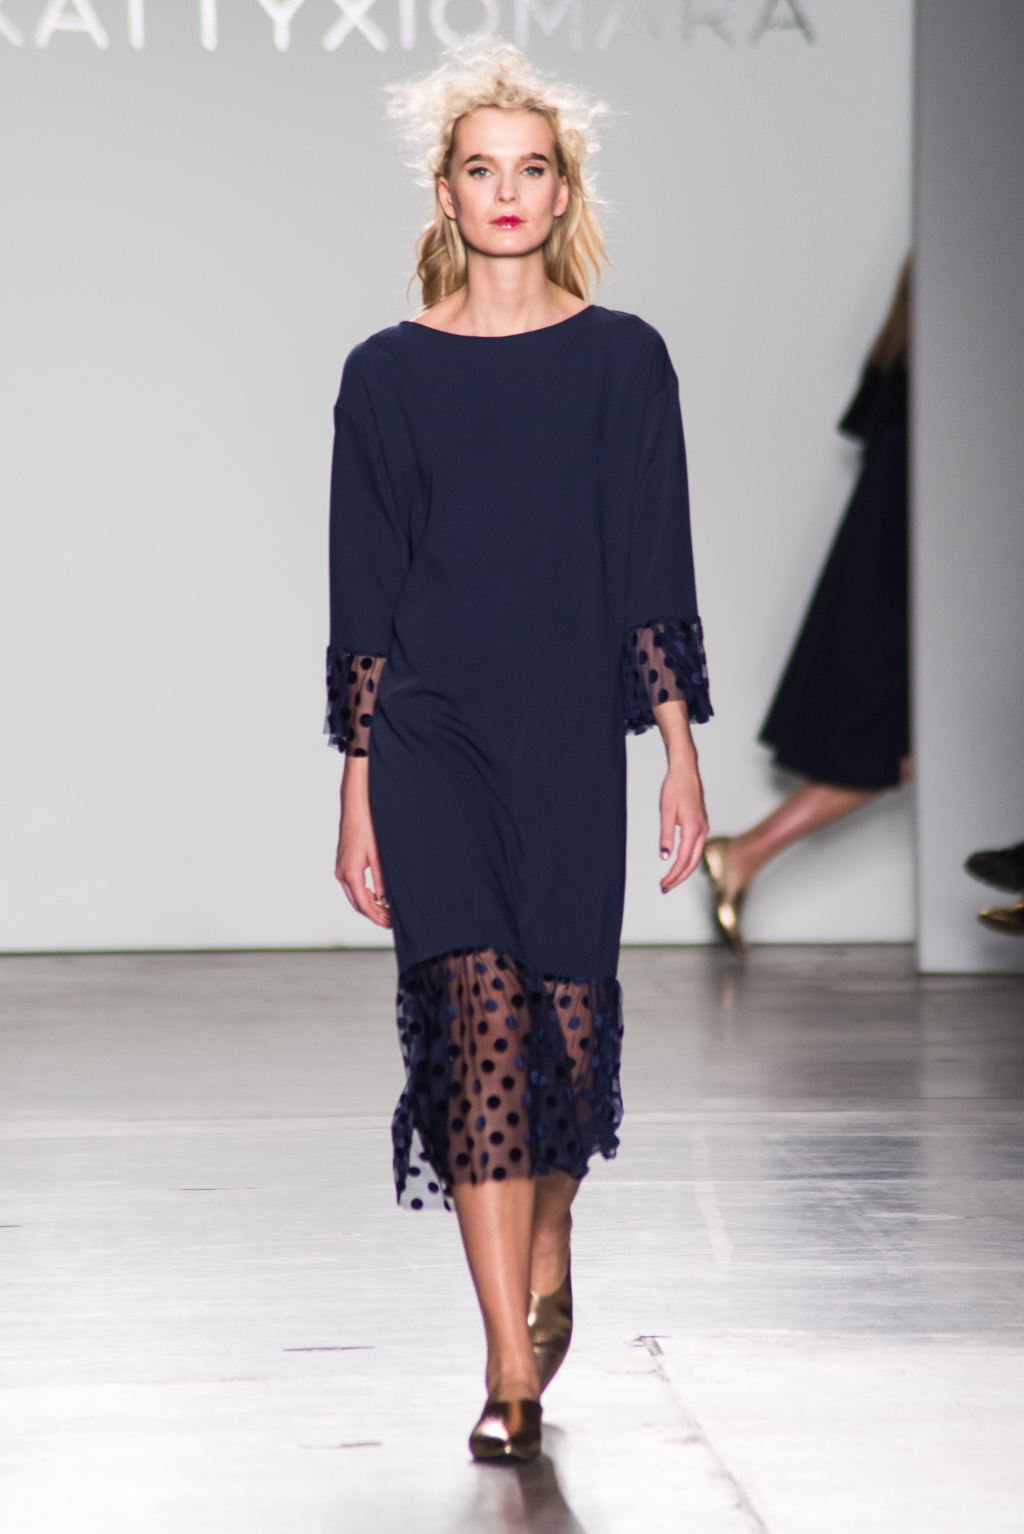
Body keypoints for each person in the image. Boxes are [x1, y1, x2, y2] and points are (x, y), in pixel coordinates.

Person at [325, 46, 712, 1462]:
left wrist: (676, 749)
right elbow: (364, 596)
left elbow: (652, 565)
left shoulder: (625, 361)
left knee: (564, 1032)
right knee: (477, 1031)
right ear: (445, 192)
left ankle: (549, 1234)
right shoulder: (385, 376)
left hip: (565, 740)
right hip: (431, 738)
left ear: (562, 192)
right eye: (480, 168)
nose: (505, 190)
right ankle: (508, 1367)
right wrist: (357, 783)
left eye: (530, 167)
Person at [703, 261, 910, 957]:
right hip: (913, 577)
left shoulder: (903, 351)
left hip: (896, 569)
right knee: (905, 746)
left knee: (906, 745)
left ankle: (746, 852)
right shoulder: (944, 376)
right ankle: (747, 851)